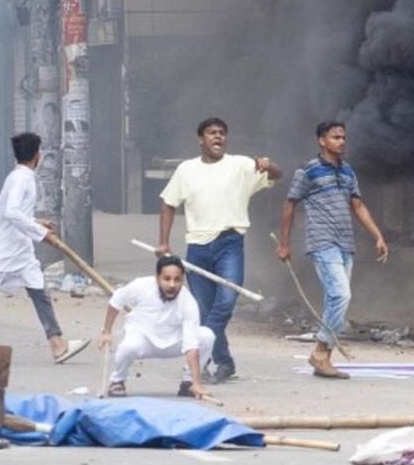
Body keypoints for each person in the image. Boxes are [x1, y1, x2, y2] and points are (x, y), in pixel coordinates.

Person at [158, 117, 281, 383]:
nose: (218, 137)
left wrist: (267, 165)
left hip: (230, 243)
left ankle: (198, 355)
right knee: (205, 308)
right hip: (197, 248)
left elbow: (276, 176)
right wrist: (164, 243)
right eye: (212, 133)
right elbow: (168, 203)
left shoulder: (240, 165)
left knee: (225, 301)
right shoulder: (186, 169)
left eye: (222, 133)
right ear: (200, 139)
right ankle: (224, 363)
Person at [0, 133, 86, 363]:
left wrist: (36, 222)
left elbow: (7, 209)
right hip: (7, 250)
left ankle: (57, 345)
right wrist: (42, 235)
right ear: (37, 155)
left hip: (21, 250)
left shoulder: (17, 176)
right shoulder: (23, 178)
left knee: (40, 294)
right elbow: (10, 212)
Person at [278, 120, 386, 380]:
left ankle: (323, 358)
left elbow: (358, 206)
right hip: (322, 241)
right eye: (335, 137)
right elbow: (290, 204)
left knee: (334, 299)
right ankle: (320, 350)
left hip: (345, 243)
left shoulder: (348, 172)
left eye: (343, 137)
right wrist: (284, 243)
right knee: (341, 295)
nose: (341, 141)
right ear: (321, 141)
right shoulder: (308, 171)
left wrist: (377, 236)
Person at [101, 257, 213, 399]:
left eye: (177, 279)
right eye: (167, 279)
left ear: (182, 280)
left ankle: (188, 383)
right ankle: (117, 381)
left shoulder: (188, 301)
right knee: (127, 348)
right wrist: (106, 331)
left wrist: (197, 383)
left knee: (207, 336)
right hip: (142, 339)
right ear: (157, 278)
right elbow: (117, 301)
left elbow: (191, 345)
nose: (172, 285)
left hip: (173, 342)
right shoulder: (141, 286)